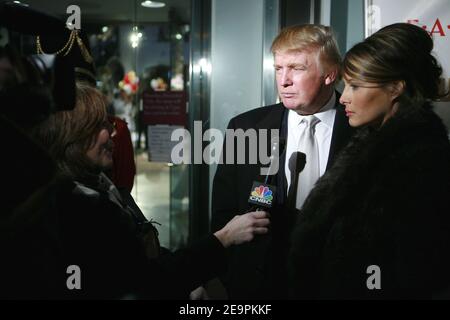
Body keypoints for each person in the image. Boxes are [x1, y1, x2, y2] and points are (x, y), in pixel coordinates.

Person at [2, 82, 270, 299]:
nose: (113, 133)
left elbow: (145, 257)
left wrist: (189, 279)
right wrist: (223, 239)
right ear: (74, 135)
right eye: (102, 126)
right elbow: (145, 281)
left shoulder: (107, 190)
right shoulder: (73, 211)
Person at [289, 22, 450, 299]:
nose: (345, 98)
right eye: (345, 85)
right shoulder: (368, 148)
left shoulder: (422, 164)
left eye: (356, 86)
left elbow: (415, 273)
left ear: (395, 88)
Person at [211, 24, 354, 299]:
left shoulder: (365, 130)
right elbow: (223, 213)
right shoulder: (247, 128)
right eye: (278, 68)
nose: (284, 80)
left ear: (330, 74)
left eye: (297, 69)